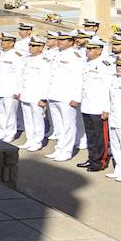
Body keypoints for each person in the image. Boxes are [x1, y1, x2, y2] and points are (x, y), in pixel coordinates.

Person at [76, 38, 114, 171]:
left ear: (99, 50)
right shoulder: (87, 63)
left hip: (99, 107)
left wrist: (106, 108)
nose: (88, 51)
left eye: (91, 49)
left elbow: (108, 88)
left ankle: (100, 162)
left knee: (99, 137)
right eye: (87, 48)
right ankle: (91, 158)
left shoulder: (105, 65)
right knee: (90, 135)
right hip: (87, 105)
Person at [46, 32, 84, 161]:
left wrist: (76, 97)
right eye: (59, 40)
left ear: (71, 41)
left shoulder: (75, 56)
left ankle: (67, 151)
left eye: (64, 40)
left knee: (68, 125)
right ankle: (59, 148)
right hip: (53, 94)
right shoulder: (56, 54)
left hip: (67, 96)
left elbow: (79, 78)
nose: (60, 42)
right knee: (58, 125)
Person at [16, 36, 51, 152]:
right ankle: (30, 139)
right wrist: (19, 91)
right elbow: (22, 77)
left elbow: (46, 81)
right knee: (28, 119)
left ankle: (37, 141)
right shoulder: (27, 59)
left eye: (34, 46)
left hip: (37, 96)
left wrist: (43, 98)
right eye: (30, 45)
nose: (30, 47)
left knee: (37, 120)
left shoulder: (44, 61)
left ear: (41, 48)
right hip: (26, 93)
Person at [0, 33, 24, 143]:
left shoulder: (16, 55)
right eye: (2, 40)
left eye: (5, 41)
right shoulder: (0, 53)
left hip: (10, 90)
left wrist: (18, 90)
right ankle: (2, 130)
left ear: (12, 43)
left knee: (10, 113)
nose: (2, 43)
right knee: (0, 112)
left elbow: (19, 74)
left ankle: (10, 133)